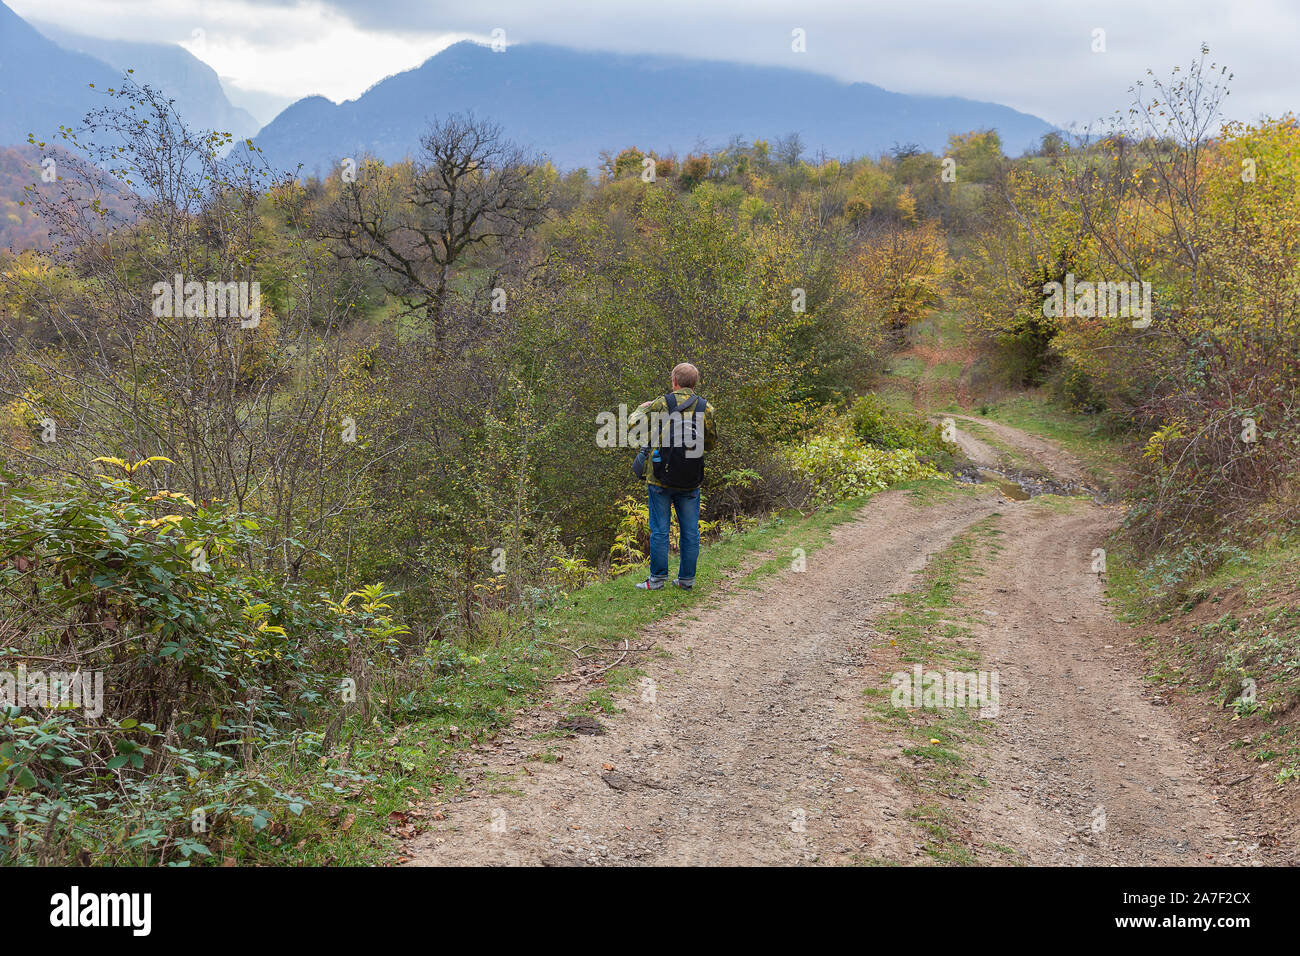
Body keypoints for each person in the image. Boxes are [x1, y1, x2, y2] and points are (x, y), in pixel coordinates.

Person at [628, 363, 717, 590]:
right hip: (691, 478)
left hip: (660, 477)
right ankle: (686, 580)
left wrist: (640, 408)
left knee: (659, 530)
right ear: (694, 383)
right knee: (690, 531)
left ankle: (657, 580)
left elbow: (634, 424)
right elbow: (710, 444)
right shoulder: (706, 408)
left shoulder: (662, 403)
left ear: (674, 381)